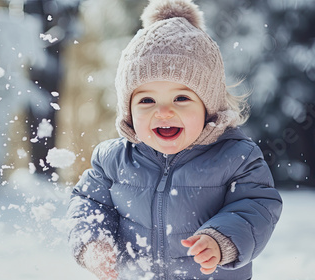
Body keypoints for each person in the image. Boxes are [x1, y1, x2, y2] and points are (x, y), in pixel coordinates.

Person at [66, 0, 283, 279]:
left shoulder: (236, 157)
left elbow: (257, 206)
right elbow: (87, 204)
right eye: (147, 100)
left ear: (209, 106)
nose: (164, 111)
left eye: (181, 98)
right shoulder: (113, 160)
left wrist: (221, 239)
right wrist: (93, 243)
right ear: (128, 111)